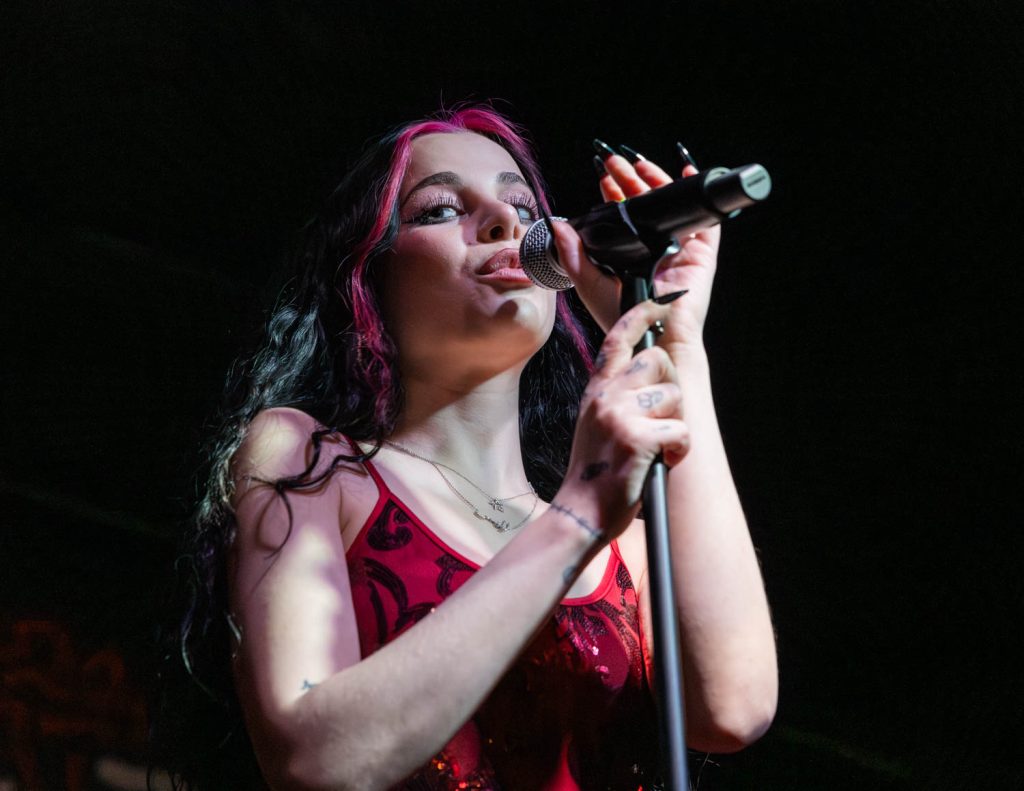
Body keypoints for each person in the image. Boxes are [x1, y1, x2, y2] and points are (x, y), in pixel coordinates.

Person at [160, 106, 777, 790]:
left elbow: (733, 707)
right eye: (440, 209)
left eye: (523, 207)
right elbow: (315, 760)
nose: (505, 221)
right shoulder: (311, 461)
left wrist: (676, 343)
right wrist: (576, 515)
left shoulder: (624, 544)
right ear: (367, 275)